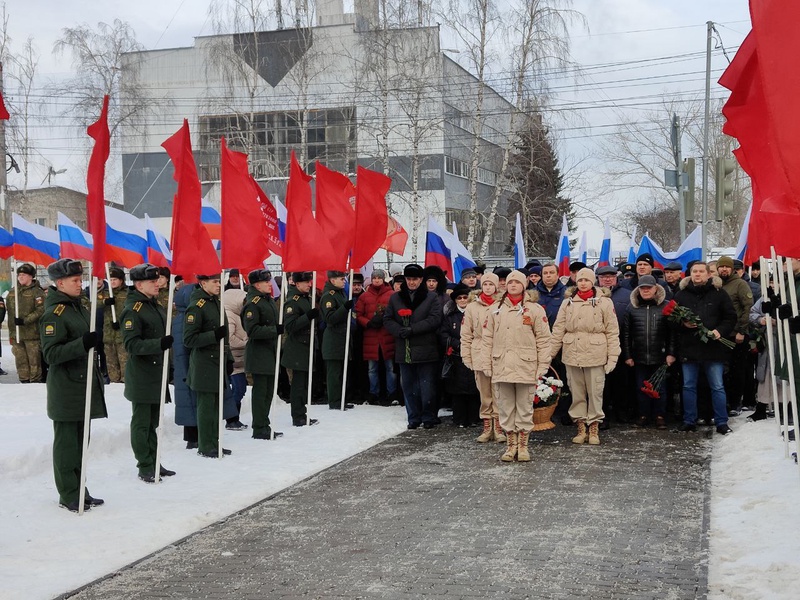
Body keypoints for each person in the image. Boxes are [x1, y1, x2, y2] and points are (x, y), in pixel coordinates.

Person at [40, 259, 107, 512]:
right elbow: (51, 355)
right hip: (66, 389)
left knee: (81, 443)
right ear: (60, 283)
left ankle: (81, 489)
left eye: (80, 280)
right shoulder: (54, 314)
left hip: (83, 385)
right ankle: (68, 493)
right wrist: (82, 344)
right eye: (75, 281)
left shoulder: (77, 307)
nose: (80, 284)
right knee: (67, 445)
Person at [482, 270, 551, 461]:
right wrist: (486, 363)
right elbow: (487, 338)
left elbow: (544, 340)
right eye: (509, 282)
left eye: (517, 282)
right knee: (505, 407)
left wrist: (542, 365)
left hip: (525, 366)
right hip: (501, 365)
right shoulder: (495, 309)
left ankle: (523, 446)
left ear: (524, 285)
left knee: (524, 407)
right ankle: (510, 446)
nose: (512, 285)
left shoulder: (535, 309)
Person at [120, 263, 176, 483]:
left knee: (153, 421)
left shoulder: (153, 305)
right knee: (142, 423)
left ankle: (154, 461)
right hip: (143, 374)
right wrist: (159, 344)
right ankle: (144, 464)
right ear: (139, 284)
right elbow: (131, 345)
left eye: (157, 280)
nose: (157, 284)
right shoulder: (133, 310)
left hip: (157, 372)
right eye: (152, 281)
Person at [550, 268, 620, 445]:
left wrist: (613, 356)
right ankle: (581, 426)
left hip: (595, 353)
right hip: (572, 354)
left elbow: (612, 331)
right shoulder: (567, 303)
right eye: (580, 280)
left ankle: (594, 427)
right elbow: (558, 329)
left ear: (592, 282)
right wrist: (549, 355)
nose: (583, 283)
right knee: (577, 392)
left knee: (595, 392)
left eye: (586, 280)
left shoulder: (604, 303)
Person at [673, 262, 737, 435]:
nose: (698, 274)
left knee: (717, 386)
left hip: (713, 348)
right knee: (688, 386)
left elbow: (730, 317)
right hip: (689, 348)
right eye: (695, 271)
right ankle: (689, 420)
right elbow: (671, 320)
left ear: (709, 274)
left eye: (701, 271)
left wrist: (719, 331)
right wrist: (683, 323)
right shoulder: (681, 295)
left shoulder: (719, 293)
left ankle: (722, 422)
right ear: (690, 274)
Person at [384, 263, 443, 429]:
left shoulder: (431, 297)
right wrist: (400, 330)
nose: (411, 282)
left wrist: (413, 329)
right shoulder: (396, 298)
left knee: (427, 385)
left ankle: (429, 416)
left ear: (421, 280)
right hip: (405, 348)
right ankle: (413, 417)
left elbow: (435, 319)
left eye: (415, 279)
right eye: (409, 279)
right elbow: (387, 319)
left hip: (426, 348)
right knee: (408, 386)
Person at [183, 274, 234, 457]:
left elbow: (225, 335)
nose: (218, 285)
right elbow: (189, 339)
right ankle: (205, 445)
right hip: (205, 363)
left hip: (218, 361)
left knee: (215, 406)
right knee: (206, 407)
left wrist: (229, 359)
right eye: (214, 282)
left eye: (219, 281)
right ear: (203, 284)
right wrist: (213, 335)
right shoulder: (197, 307)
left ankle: (214, 441)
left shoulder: (214, 302)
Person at [621, 275, 676, 429]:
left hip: (660, 356)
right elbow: (626, 334)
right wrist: (628, 355)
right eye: (642, 288)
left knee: (660, 388)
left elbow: (672, 333)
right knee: (641, 388)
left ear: (655, 289)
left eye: (648, 288)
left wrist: (671, 353)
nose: (645, 291)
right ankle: (643, 415)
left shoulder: (666, 306)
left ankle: (660, 416)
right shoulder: (631, 308)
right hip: (639, 357)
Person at [461, 272, 505, 443]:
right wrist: (466, 355)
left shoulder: (502, 304)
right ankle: (487, 426)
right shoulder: (472, 307)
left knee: (499, 392)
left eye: (491, 285)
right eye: (485, 284)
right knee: (484, 393)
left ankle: (499, 426)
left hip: (498, 352)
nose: (487, 288)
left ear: (496, 287)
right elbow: (466, 333)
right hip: (479, 352)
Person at [241, 269, 283, 439]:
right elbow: (252, 330)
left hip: (270, 351)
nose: (269, 284)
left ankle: (264, 424)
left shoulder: (268, 300)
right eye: (266, 282)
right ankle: (259, 427)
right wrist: (274, 330)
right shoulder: (253, 303)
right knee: (261, 392)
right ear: (257, 285)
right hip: (259, 353)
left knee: (269, 391)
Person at [596, 265, 634, 427]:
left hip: (621, 344)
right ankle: (603, 415)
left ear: (616, 277)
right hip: (598, 346)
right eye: (604, 276)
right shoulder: (592, 296)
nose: (607, 279)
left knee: (621, 381)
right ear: (598, 279)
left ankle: (621, 412)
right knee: (602, 383)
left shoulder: (627, 295)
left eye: (611, 276)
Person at [717, 255, 754, 416]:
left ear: (732, 269)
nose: (724, 269)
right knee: (723, 371)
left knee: (737, 370)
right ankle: (724, 402)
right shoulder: (716, 285)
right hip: (721, 335)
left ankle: (735, 403)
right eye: (721, 267)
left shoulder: (740, 284)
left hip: (737, 335)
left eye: (727, 267)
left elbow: (748, 308)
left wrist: (741, 331)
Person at [439, 283, 480, 427]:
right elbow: (443, 334)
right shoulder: (449, 316)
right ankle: (459, 418)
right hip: (456, 356)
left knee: (475, 388)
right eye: (459, 298)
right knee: (457, 390)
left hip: (474, 354)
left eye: (465, 297)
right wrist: (457, 344)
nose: (463, 300)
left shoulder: (476, 314)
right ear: (455, 300)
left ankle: (474, 418)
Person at [281, 271, 320, 426]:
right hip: (297, 348)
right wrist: (307, 317)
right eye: (306, 282)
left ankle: (302, 413)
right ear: (297, 284)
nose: (309, 284)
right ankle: (298, 416)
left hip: (306, 346)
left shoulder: (306, 298)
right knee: (298, 384)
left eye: (309, 282)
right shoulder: (292, 301)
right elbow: (290, 326)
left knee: (303, 383)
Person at [355, 269, 397, 405]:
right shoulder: (364, 296)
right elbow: (358, 314)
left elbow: (395, 313)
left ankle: (392, 393)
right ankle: (374, 393)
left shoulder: (391, 295)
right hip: (371, 337)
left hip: (387, 336)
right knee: (372, 368)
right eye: (374, 278)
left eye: (379, 277)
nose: (377, 280)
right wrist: (368, 323)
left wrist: (386, 320)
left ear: (383, 279)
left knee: (390, 368)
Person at [320, 270, 355, 411]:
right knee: (334, 373)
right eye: (341, 279)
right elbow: (330, 318)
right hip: (334, 339)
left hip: (342, 338)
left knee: (341, 372)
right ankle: (334, 401)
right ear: (332, 281)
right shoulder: (329, 296)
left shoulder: (340, 294)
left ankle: (341, 399)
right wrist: (345, 308)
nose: (344, 281)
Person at [7, 263, 45, 383]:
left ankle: (34, 383)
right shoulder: (12, 292)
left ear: (31, 277)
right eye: (19, 275)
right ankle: (23, 382)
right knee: (21, 361)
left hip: (32, 334)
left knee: (34, 362)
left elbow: (41, 310)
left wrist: (25, 320)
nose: (20, 277)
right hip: (16, 333)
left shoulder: (37, 292)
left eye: (23, 275)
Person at [172, 282, 199, 449]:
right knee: (189, 401)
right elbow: (183, 347)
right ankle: (192, 438)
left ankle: (195, 436)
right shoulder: (183, 320)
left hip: (189, 365)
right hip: (186, 366)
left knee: (191, 401)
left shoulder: (185, 317)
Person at [223, 287, 249, 430]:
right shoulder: (229, 315)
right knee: (238, 389)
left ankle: (234, 418)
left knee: (240, 389)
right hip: (234, 358)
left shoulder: (237, 314)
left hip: (239, 359)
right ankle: (231, 419)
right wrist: (246, 342)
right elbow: (230, 339)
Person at [103, 266, 128, 383]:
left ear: (121, 280)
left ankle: (125, 381)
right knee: (111, 363)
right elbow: (94, 304)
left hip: (122, 335)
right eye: (110, 279)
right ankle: (114, 383)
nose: (112, 282)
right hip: (108, 335)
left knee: (125, 362)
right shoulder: (106, 293)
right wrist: (105, 302)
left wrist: (121, 323)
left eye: (115, 279)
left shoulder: (127, 294)